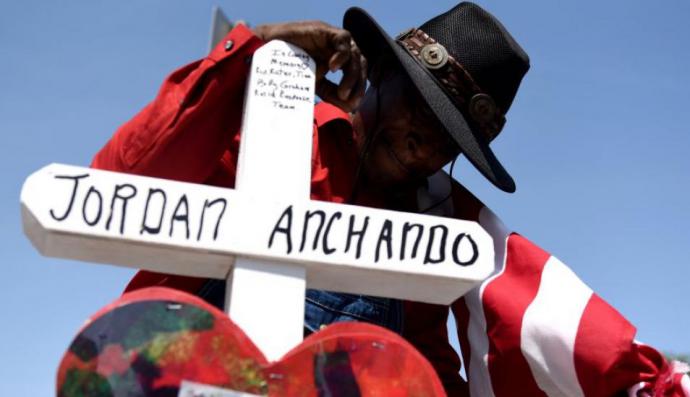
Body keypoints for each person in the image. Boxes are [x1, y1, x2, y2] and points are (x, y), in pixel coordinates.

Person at [92, 3, 689, 396]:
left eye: (452, 140)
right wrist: (258, 53)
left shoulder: (434, 233)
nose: (425, 143)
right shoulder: (267, 131)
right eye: (423, 109)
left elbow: (422, 368)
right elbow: (125, 176)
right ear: (378, 71)